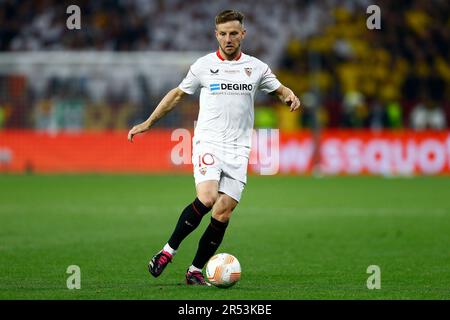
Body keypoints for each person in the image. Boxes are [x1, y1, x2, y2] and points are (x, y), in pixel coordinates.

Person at [127, 10, 301, 285]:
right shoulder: (203, 66)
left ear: (243, 34)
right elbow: (177, 95)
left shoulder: (256, 68)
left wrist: (289, 95)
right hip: (209, 141)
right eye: (223, 34)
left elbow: (279, 89)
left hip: (239, 149)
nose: (228, 39)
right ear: (216, 35)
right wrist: (149, 121)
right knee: (207, 198)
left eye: (233, 33)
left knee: (223, 212)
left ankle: (195, 271)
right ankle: (167, 252)